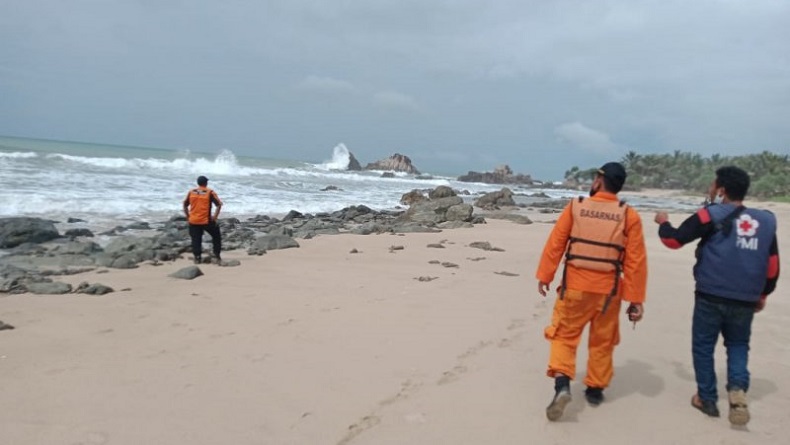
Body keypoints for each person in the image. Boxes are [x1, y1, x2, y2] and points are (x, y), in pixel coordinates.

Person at [654, 166, 779, 426]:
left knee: (703, 346)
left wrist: (663, 222)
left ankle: (707, 398)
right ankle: (737, 389)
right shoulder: (766, 221)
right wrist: (763, 295)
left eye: (713, 185)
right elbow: (773, 265)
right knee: (737, 345)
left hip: (711, 294)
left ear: (721, 190)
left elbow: (674, 241)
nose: (710, 189)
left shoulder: (709, 214)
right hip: (746, 298)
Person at [536, 161, 648, 421]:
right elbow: (635, 261)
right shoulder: (628, 215)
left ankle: (562, 385)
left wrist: (545, 275)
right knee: (602, 341)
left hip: (575, 288)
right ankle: (595, 389)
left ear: (599, 180)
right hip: (609, 293)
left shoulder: (576, 206)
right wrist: (636, 300)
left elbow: (556, 243)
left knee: (564, 336)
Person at [183, 175, 223, 264]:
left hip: (193, 220)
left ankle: (197, 258)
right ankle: (217, 255)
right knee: (216, 236)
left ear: (198, 183)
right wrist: (215, 217)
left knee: (196, 239)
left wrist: (188, 216)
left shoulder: (191, 192)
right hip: (206, 221)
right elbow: (219, 204)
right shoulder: (209, 192)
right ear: (206, 183)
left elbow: (185, 205)